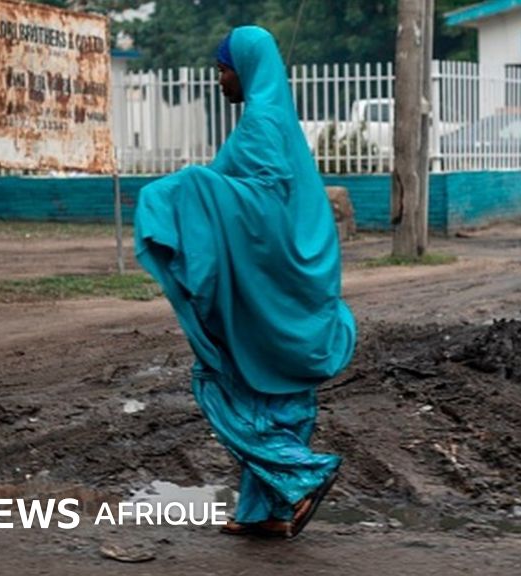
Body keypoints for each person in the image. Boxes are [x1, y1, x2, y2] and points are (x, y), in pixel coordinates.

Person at [133, 26, 357, 538]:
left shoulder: (260, 123)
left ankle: (303, 474)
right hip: (297, 285)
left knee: (219, 382)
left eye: (223, 68)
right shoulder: (278, 123)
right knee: (281, 400)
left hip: (272, 290)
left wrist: (188, 189)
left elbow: (263, 205)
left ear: (246, 69)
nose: (219, 79)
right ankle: (266, 513)